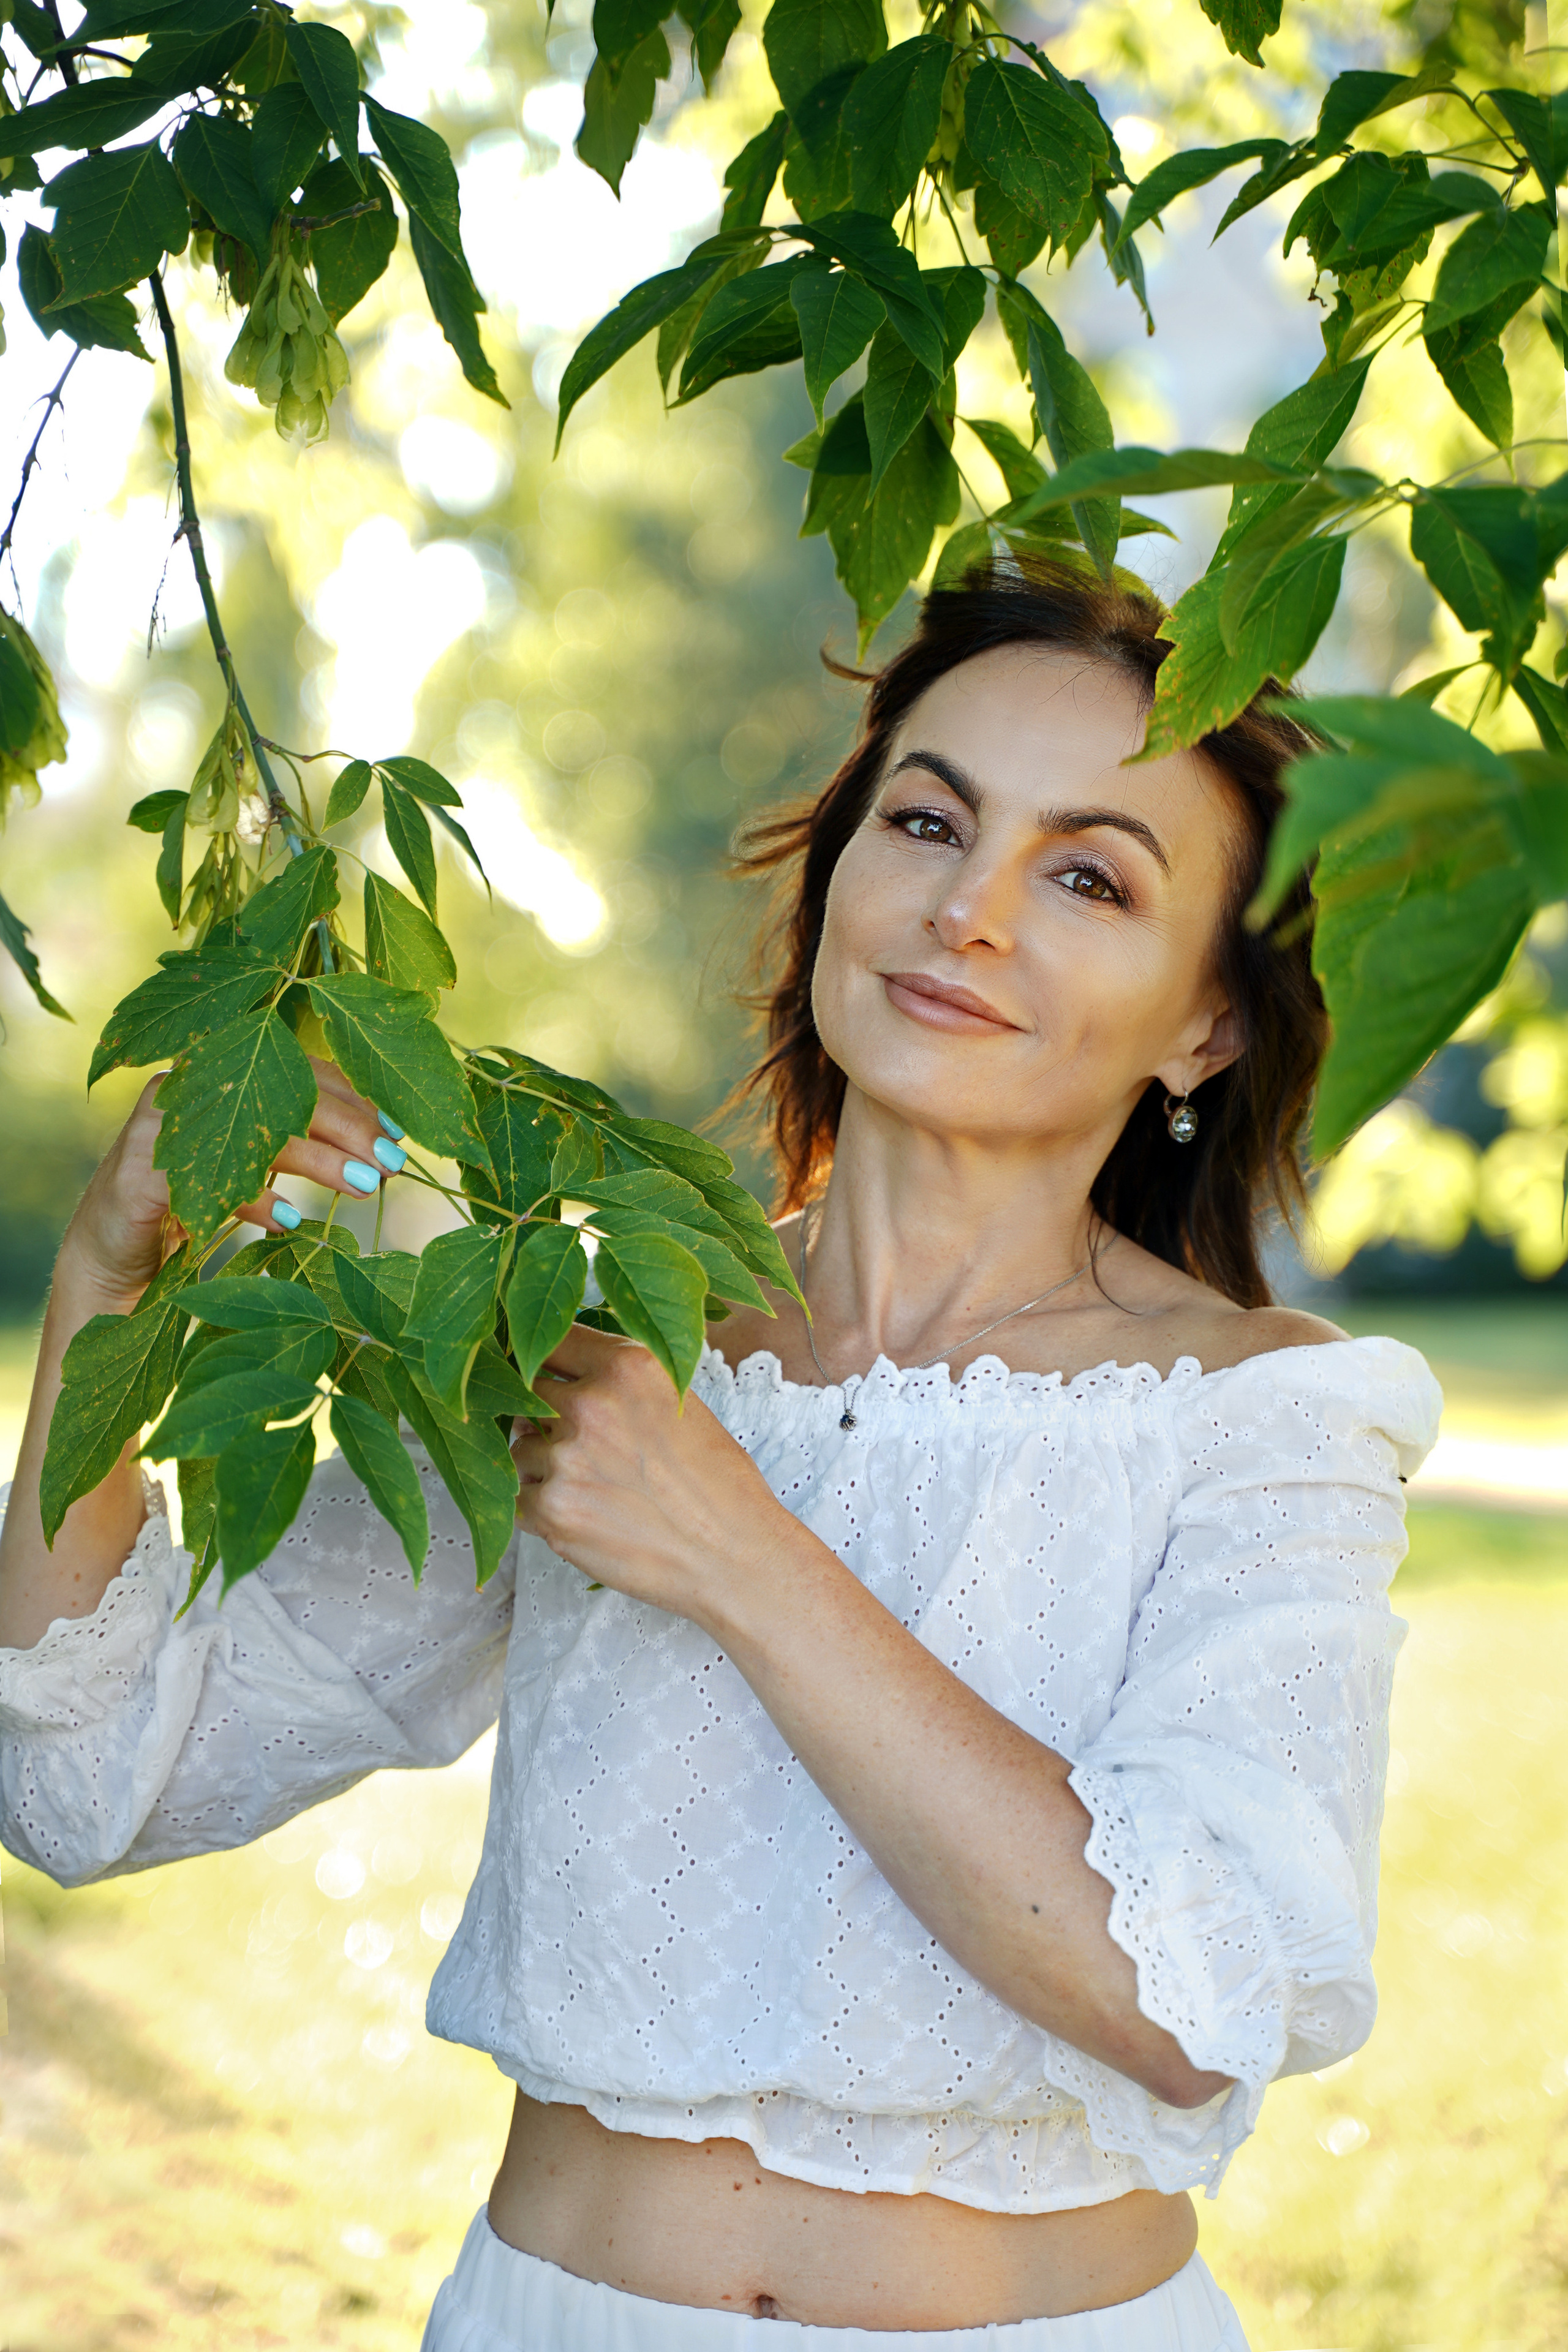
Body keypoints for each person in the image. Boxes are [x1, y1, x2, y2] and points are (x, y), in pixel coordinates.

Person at [0, 559, 1440, 2351]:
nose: (968, 910)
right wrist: (105, 1294)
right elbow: (87, 1781)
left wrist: (734, 1547)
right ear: (839, 871)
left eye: (1086, 875)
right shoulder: (581, 1328)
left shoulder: (1259, 1420)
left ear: (1208, 1022)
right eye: (927, 822)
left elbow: (1192, 1982)